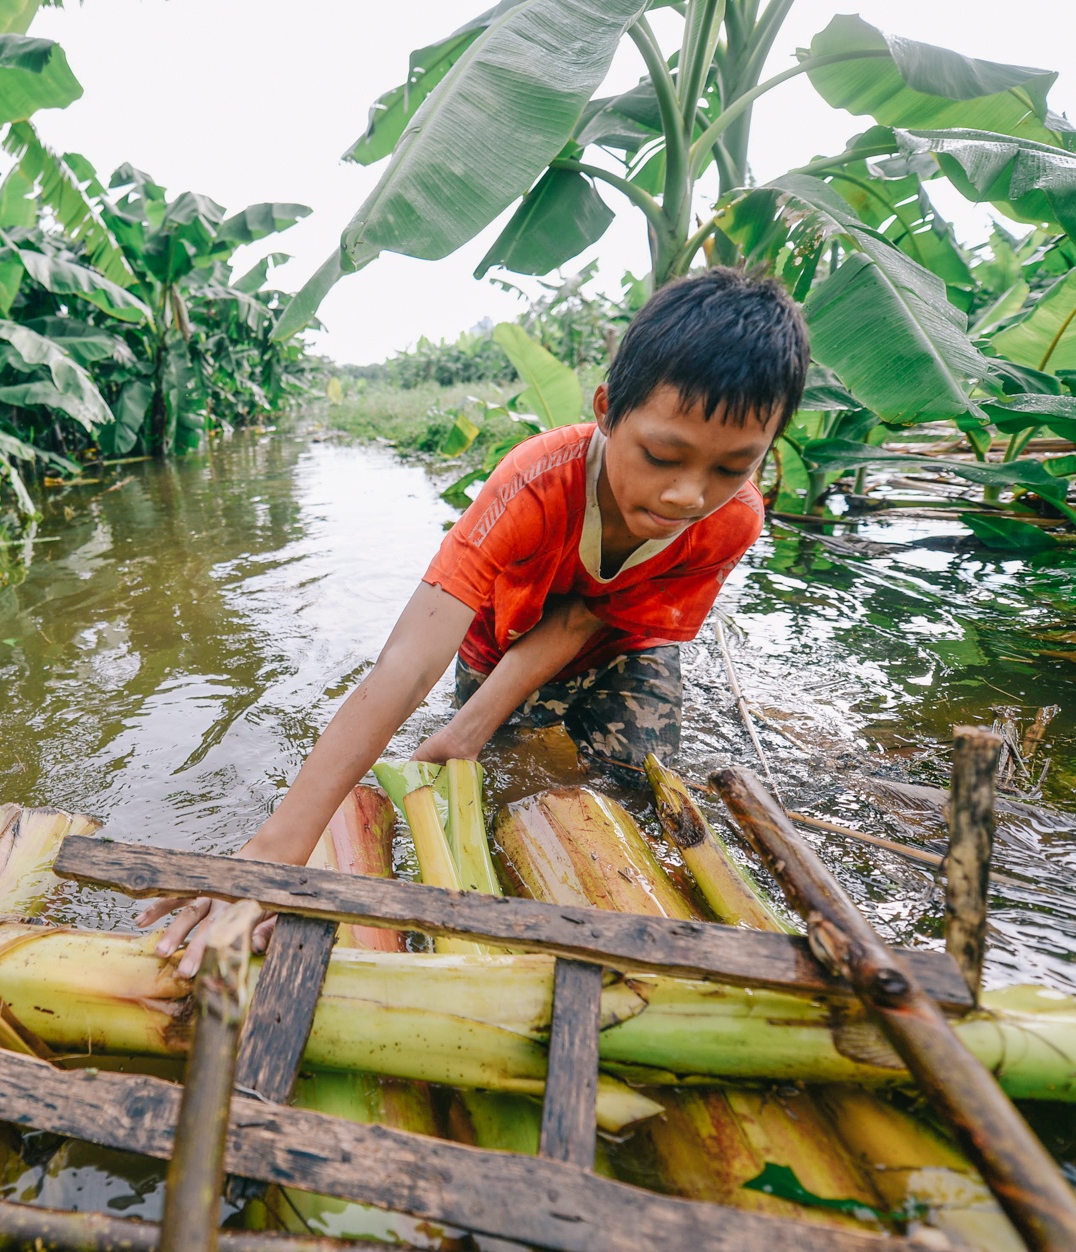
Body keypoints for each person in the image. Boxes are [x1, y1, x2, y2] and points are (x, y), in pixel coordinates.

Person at [142, 267, 810, 974]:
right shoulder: (533, 484)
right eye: (662, 456)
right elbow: (407, 663)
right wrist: (279, 847)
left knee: (634, 781)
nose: (686, 494)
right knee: (493, 776)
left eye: (732, 467)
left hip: (621, 644)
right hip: (504, 642)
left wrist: (468, 729)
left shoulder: (729, 521)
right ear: (608, 410)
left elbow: (589, 617)